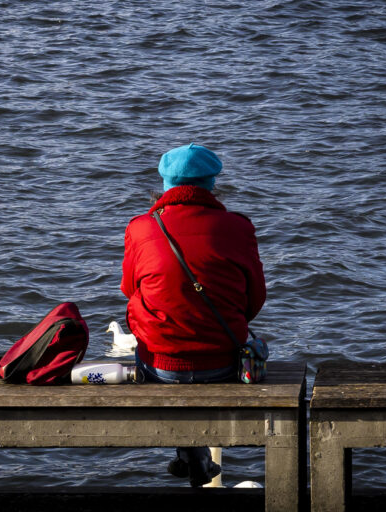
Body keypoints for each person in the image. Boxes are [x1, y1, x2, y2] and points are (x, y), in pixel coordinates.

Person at [120, 143, 266, 487]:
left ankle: (190, 456)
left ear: (166, 182)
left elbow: (129, 289)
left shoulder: (141, 227)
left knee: (156, 327)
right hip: (224, 365)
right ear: (211, 183)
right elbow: (254, 301)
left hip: (159, 365)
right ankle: (196, 458)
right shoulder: (238, 228)